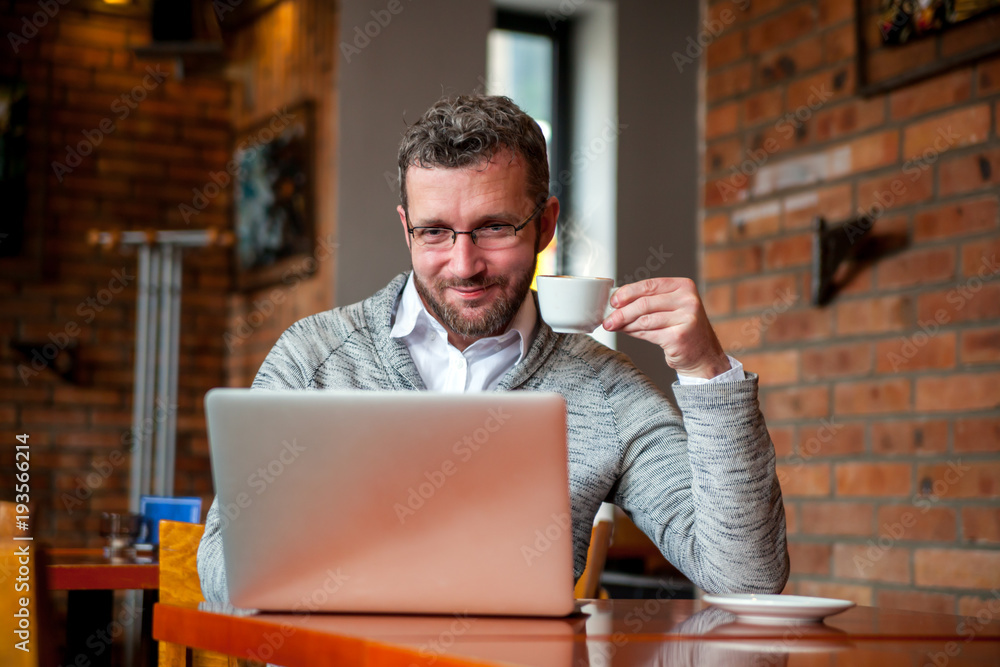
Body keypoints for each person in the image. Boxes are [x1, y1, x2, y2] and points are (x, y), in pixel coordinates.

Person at [198, 94, 788, 602]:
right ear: (406, 228)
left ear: (545, 224)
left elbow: (747, 579)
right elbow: (224, 569)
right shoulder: (314, 356)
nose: (464, 265)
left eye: (494, 227)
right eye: (435, 232)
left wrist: (708, 372)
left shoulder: (606, 391)